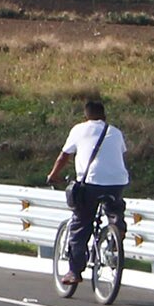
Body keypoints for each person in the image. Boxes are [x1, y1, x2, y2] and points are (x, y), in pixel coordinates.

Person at [44, 95, 131, 268]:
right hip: (117, 182)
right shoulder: (115, 132)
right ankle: (116, 230)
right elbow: (120, 153)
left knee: (81, 224)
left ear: (85, 117)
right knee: (114, 209)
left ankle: (74, 272)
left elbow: (64, 157)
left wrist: (53, 175)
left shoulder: (79, 129)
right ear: (105, 117)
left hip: (91, 183)